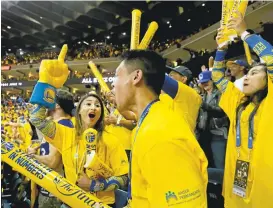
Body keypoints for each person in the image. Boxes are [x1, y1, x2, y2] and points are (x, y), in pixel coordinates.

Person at [29, 46, 129, 206]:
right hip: (72, 202)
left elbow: (123, 178)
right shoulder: (65, 134)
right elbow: (37, 119)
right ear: (79, 111)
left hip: (101, 204)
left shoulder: (112, 141)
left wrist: (94, 185)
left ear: (101, 114)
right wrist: (47, 85)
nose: (93, 107)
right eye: (88, 103)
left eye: (98, 105)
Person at [113, 50, 208, 207]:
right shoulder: (148, 121)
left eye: (117, 75)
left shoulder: (161, 135)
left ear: (136, 77)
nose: (113, 83)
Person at [212, 12, 273, 207]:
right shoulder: (238, 103)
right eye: (247, 73)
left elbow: (271, 58)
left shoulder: (270, 103)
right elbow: (218, 77)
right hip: (239, 174)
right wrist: (222, 48)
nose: (246, 77)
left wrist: (244, 33)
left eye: (254, 73)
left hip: (265, 179)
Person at [27, 89, 74, 208]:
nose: (46, 104)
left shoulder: (63, 125)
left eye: (49, 101)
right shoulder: (59, 124)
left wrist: (32, 157)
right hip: (49, 188)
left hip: (53, 192)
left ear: (57, 105)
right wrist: (37, 149)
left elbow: (53, 162)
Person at [196, 71, 228, 169]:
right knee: (208, 163)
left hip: (218, 133)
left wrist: (204, 105)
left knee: (219, 163)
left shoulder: (220, 93)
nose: (204, 84)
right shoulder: (202, 95)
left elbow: (222, 111)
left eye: (206, 81)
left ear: (212, 80)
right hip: (205, 134)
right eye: (202, 82)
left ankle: (223, 183)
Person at [160, 65, 202, 133]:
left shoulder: (190, 93)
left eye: (171, 76)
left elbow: (159, 77)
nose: (168, 77)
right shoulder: (165, 96)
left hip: (182, 141)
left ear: (183, 79)